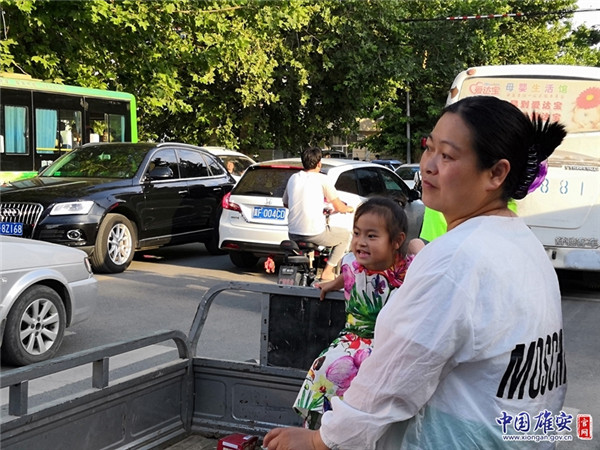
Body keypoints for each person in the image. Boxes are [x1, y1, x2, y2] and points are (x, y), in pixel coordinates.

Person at [264, 96, 567, 449]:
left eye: (447, 155)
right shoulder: (524, 243)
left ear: (496, 173)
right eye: (429, 148)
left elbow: (393, 379)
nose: (428, 166)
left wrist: (320, 440)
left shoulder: (455, 258)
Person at [293, 197, 414, 430]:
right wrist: (332, 283)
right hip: (350, 341)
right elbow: (349, 273)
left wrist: (416, 244)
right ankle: (317, 431)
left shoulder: (408, 269)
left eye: (372, 236)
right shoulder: (350, 262)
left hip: (388, 346)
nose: (361, 242)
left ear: (397, 241)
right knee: (324, 370)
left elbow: (420, 250)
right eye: (357, 233)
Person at [283, 147, 354, 281]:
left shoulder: (293, 178)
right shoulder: (322, 179)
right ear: (319, 163)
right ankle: (327, 271)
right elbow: (339, 207)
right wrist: (349, 209)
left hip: (292, 234)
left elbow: (285, 203)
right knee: (344, 236)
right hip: (314, 234)